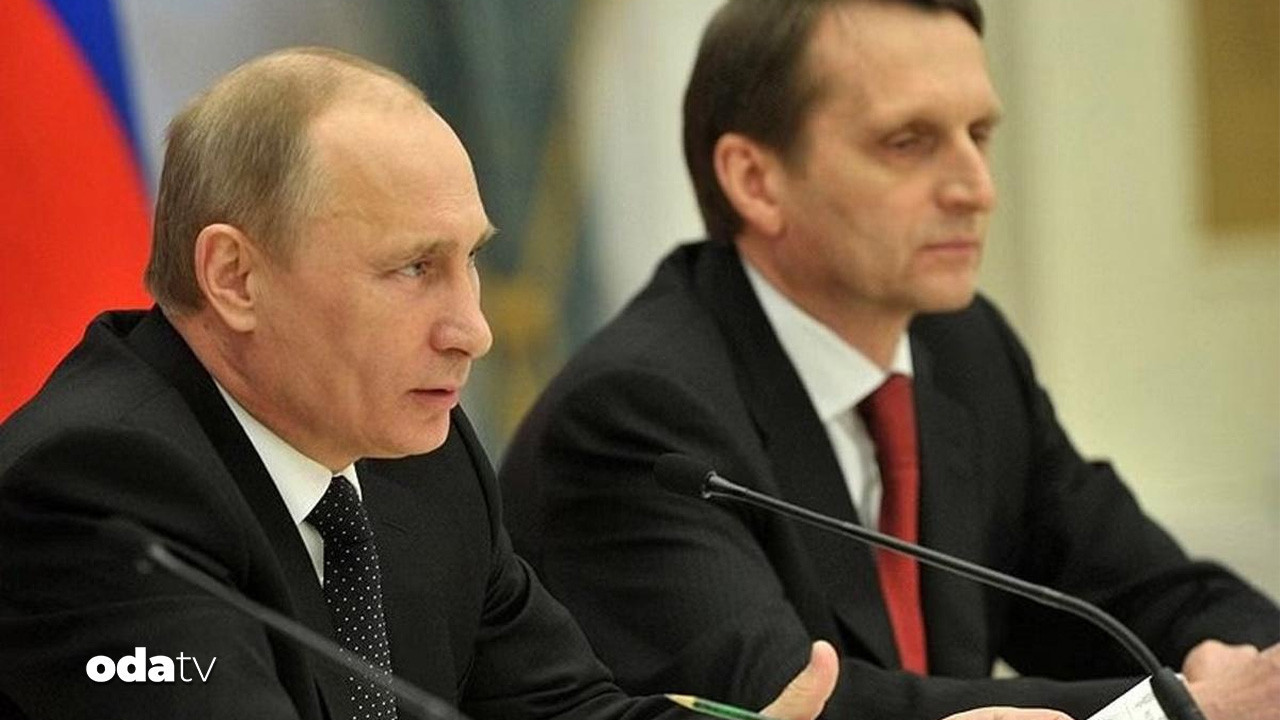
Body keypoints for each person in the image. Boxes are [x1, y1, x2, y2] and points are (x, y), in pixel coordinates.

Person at [0, 47, 864, 720]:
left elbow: (561, 710)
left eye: (470, 260)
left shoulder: (419, 458)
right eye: (413, 268)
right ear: (235, 277)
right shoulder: (95, 492)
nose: (472, 331)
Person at [498, 2, 1280, 720]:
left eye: (980, 135)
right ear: (756, 180)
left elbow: (1144, 592)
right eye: (909, 143)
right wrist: (1183, 711)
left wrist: (1252, 668)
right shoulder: (634, 417)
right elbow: (799, 705)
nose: (977, 189)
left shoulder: (963, 348)